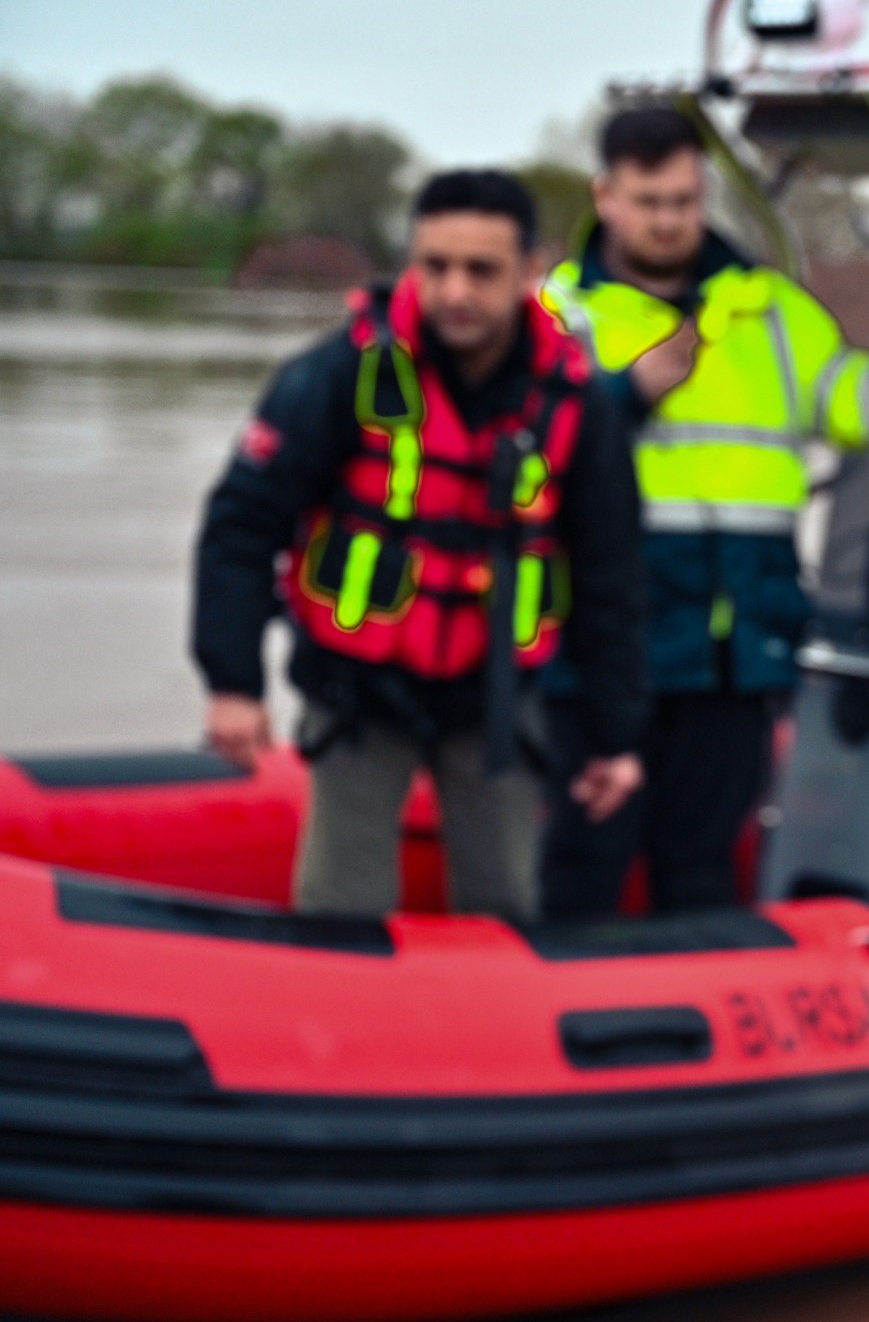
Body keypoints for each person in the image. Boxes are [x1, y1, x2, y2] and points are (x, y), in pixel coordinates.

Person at [538, 107, 869, 919]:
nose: (668, 219)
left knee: (703, 861)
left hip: (735, 647)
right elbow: (523, 449)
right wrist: (626, 394)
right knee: (585, 863)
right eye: (649, 201)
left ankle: (698, 1020)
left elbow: (858, 406)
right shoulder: (559, 315)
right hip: (607, 645)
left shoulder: (770, 311)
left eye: (684, 200)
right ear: (606, 197)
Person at [193, 169, 648, 921]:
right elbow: (242, 523)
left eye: (481, 270)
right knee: (342, 905)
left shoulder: (575, 403)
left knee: (503, 899)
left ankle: (491, 1026)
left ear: (531, 273)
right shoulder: (340, 373)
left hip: (495, 698)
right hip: (358, 690)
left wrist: (614, 737)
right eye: (434, 266)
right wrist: (232, 682)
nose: (455, 292)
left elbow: (611, 575)